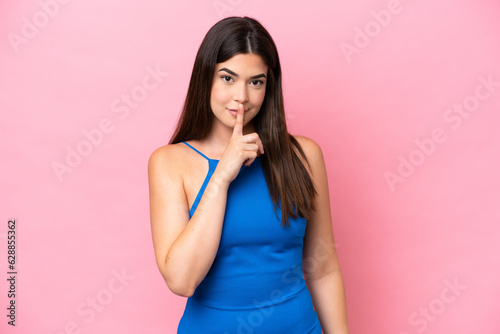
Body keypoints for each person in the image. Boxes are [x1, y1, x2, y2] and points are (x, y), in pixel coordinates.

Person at [148, 16, 349, 333]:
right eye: (227, 78)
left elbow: (323, 268)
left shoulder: (304, 156)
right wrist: (222, 176)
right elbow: (181, 280)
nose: (241, 96)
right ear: (205, 79)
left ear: (269, 87)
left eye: (256, 82)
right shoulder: (169, 162)